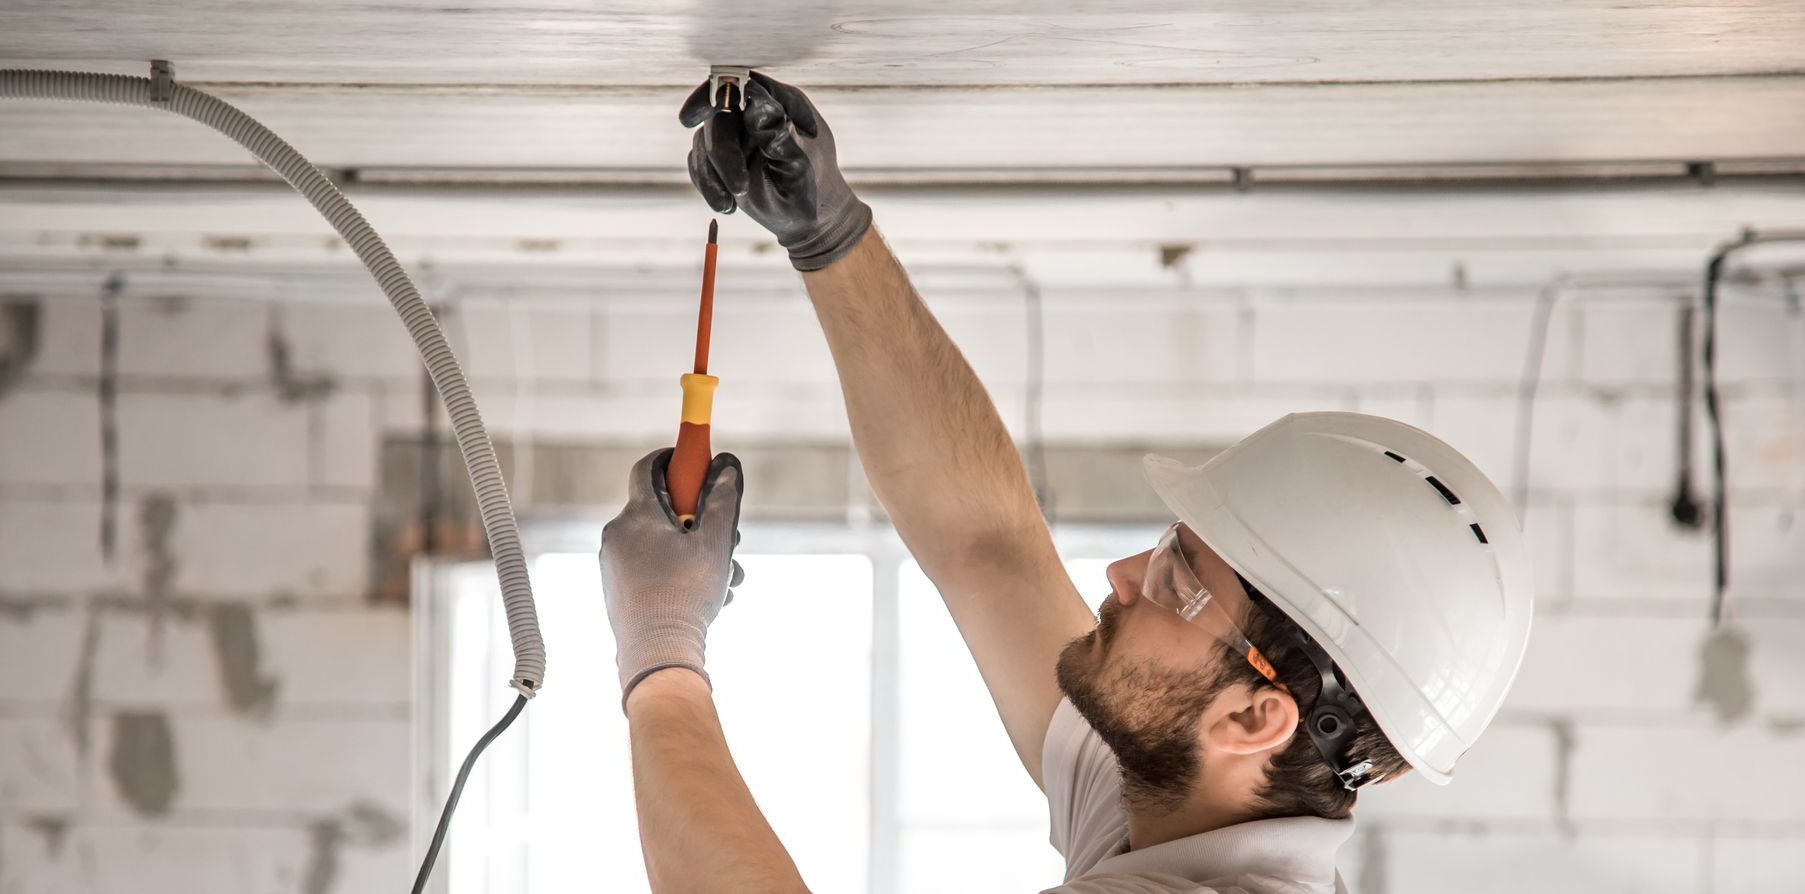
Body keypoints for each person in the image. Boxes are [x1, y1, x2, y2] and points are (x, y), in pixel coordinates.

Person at [599, 72, 1535, 894]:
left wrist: (660, 652)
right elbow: (989, 548)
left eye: (1179, 582)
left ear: (1258, 714)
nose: (1125, 574)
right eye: (1167, 548)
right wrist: (828, 236)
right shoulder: (1185, 791)